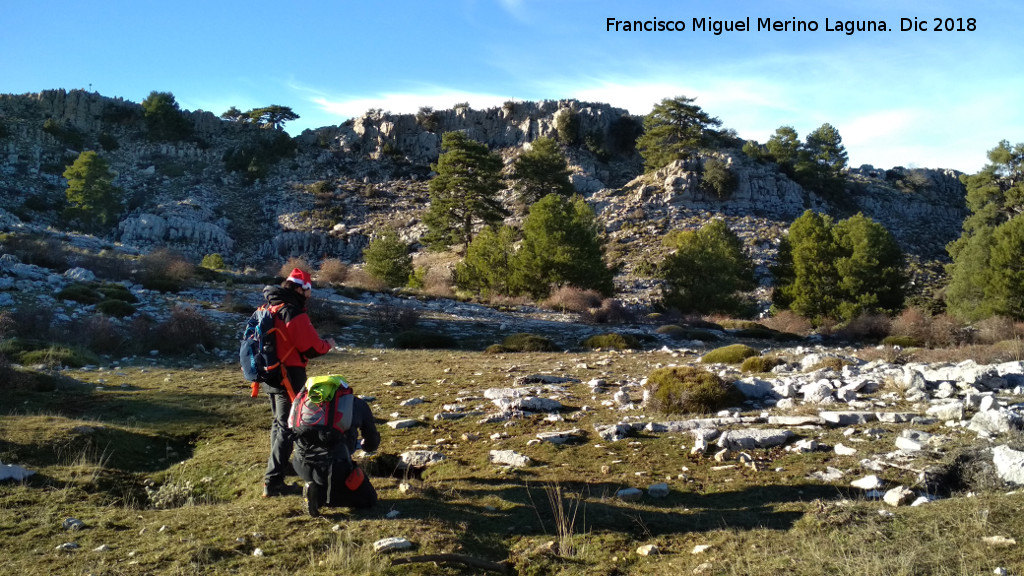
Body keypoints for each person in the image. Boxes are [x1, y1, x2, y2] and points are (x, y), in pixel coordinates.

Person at [261, 267, 336, 498]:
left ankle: (279, 470)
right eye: (308, 291)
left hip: (269, 373)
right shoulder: (292, 311)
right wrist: (328, 344)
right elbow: (311, 347)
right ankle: (273, 482)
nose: (309, 296)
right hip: (289, 375)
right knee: (288, 426)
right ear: (299, 289)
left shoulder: (269, 307)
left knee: (279, 423)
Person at [289, 375, 380, 517]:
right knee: (368, 499)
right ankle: (320, 497)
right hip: (334, 467)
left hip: (301, 463)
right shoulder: (355, 404)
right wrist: (365, 446)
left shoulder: (302, 402)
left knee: (324, 480)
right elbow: (372, 441)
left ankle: (313, 488)